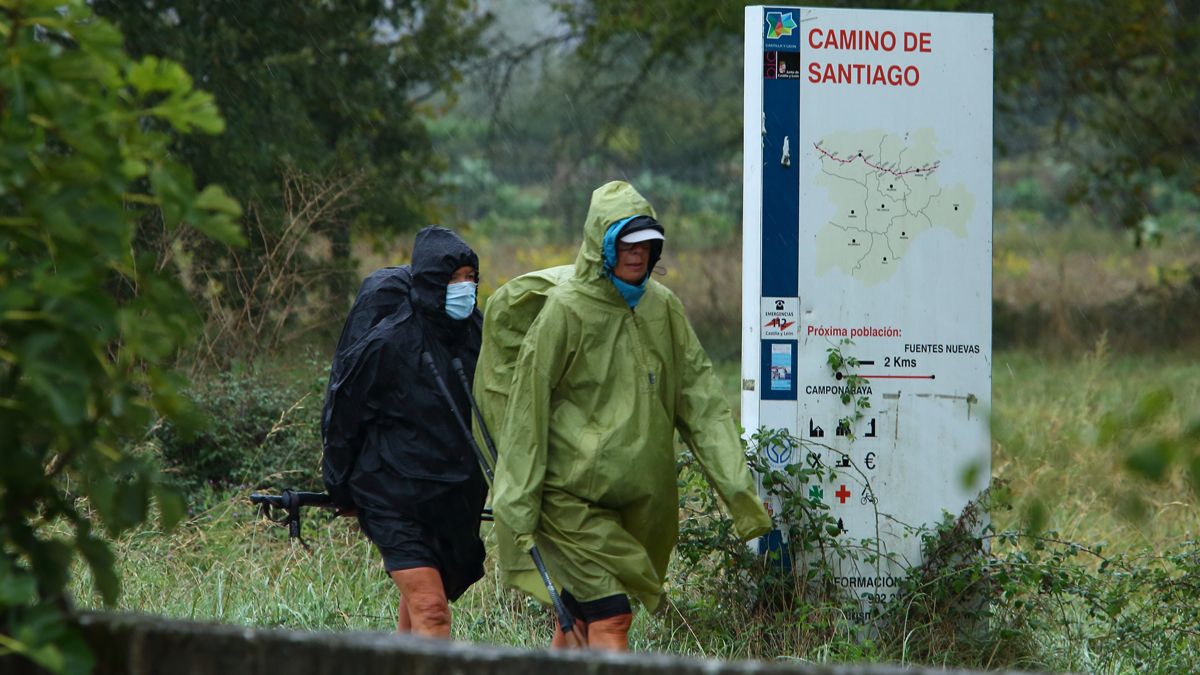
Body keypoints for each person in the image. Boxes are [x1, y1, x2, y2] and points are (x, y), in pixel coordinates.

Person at [484, 181, 772, 651]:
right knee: (612, 616)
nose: (638, 255)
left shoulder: (664, 308)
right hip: (568, 500)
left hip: (636, 501)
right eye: (626, 243)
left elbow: (700, 400)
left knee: (575, 621)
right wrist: (516, 500)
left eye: (646, 243)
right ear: (603, 245)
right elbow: (526, 409)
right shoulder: (565, 311)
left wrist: (738, 492)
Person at [321, 226, 486, 638]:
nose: (465, 288)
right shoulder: (390, 341)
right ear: (432, 282)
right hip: (392, 494)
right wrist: (340, 488)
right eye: (455, 278)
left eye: (471, 277)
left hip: (452, 496)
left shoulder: (478, 335)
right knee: (431, 610)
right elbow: (345, 417)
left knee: (418, 614)